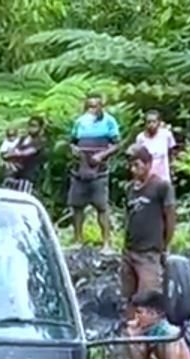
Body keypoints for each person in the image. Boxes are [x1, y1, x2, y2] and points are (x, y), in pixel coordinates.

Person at [121, 144, 175, 304]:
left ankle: (148, 328)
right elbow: (128, 216)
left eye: (137, 165)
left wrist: (165, 245)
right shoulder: (130, 188)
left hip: (149, 252)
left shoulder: (161, 186)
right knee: (128, 298)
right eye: (131, 165)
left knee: (149, 299)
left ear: (148, 164)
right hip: (130, 250)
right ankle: (130, 326)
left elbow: (170, 216)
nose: (133, 169)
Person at [67, 94, 121, 251]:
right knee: (77, 206)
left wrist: (101, 155)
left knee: (101, 206)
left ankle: (106, 243)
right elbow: (72, 142)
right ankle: (78, 240)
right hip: (80, 168)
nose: (91, 109)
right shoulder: (79, 122)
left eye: (95, 106)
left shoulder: (109, 121)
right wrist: (75, 150)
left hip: (99, 169)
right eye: (89, 106)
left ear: (101, 107)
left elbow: (117, 144)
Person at [0, 116, 47, 194]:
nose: (31, 128)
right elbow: (12, 150)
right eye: (30, 125)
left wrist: (12, 154)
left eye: (34, 126)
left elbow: (26, 153)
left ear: (40, 128)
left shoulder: (40, 141)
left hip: (29, 177)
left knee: (23, 197)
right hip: (15, 175)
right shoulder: (23, 139)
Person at [130, 109, 177, 186]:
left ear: (159, 122)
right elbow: (138, 158)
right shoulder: (140, 138)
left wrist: (171, 168)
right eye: (149, 122)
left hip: (163, 178)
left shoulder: (166, 135)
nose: (151, 124)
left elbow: (171, 152)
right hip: (147, 179)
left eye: (154, 122)